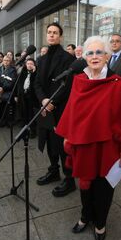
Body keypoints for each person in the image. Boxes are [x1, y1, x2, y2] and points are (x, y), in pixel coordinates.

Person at [56, 35, 121, 240]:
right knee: (85, 185)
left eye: (99, 52)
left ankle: (100, 223)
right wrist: (68, 136)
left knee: (103, 188)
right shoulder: (78, 81)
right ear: (84, 57)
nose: (94, 56)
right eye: (90, 53)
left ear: (107, 56)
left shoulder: (118, 84)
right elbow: (72, 112)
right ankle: (85, 216)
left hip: (107, 147)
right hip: (84, 145)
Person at [34, 23, 76, 197]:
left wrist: (53, 102)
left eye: (55, 33)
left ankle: (69, 179)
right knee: (49, 142)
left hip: (60, 109)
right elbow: (37, 83)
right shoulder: (41, 59)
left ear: (60, 36)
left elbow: (68, 85)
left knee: (61, 145)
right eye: (49, 32)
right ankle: (53, 171)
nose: (51, 35)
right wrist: (43, 99)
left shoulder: (67, 58)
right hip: (45, 108)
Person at [17, 58, 38, 138]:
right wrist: (17, 95)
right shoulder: (22, 73)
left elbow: (35, 84)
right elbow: (18, 85)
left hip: (32, 97)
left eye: (31, 64)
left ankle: (33, 131)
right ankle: (25, 130)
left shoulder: (36, 73)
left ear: (34, 65)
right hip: (23, 96)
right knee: (24, 113)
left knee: (31, 114)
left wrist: (34, 72)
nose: (29, 65)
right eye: (28, 63)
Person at [0, 55, 17, 125]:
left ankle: (9, 122)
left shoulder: (13, 70)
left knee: (8, 108)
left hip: (8, 91)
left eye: (7, 60)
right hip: (0, 92)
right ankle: (2, 121)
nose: (6, 62)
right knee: (1, 107)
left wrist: (3, 88)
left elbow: (12, 82)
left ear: (10, 61)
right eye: (4, 60)